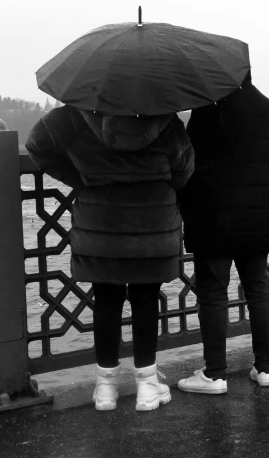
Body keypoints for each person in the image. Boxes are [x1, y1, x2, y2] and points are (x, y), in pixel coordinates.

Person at [25, 106, 194, 411]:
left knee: (105, 301)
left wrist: (80, 176)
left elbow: (37, 145)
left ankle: (105, 389)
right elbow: (183, 171)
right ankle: (146, 386)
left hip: (100, 226)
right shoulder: (164, 119)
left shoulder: (72, 118)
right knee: (145, 301)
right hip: (151, 225)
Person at [177, 71, 269, 394]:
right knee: (258, 289)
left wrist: (190, 204)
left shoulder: (207, 110)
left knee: (213, 293)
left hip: (213, 218)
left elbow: (188, 163)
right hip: (257, 216)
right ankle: (265, 368)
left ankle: (215, 374)